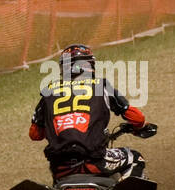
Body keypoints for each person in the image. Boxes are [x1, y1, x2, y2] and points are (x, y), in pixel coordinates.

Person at [28, 44, 151, 180]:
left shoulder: (49, 90)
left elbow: (35, 134)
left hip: (60, 167)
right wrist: (141, 126)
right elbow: (137, 118)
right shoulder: (101, 85)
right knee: (134, 157)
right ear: (89, 65)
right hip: (94, 161)